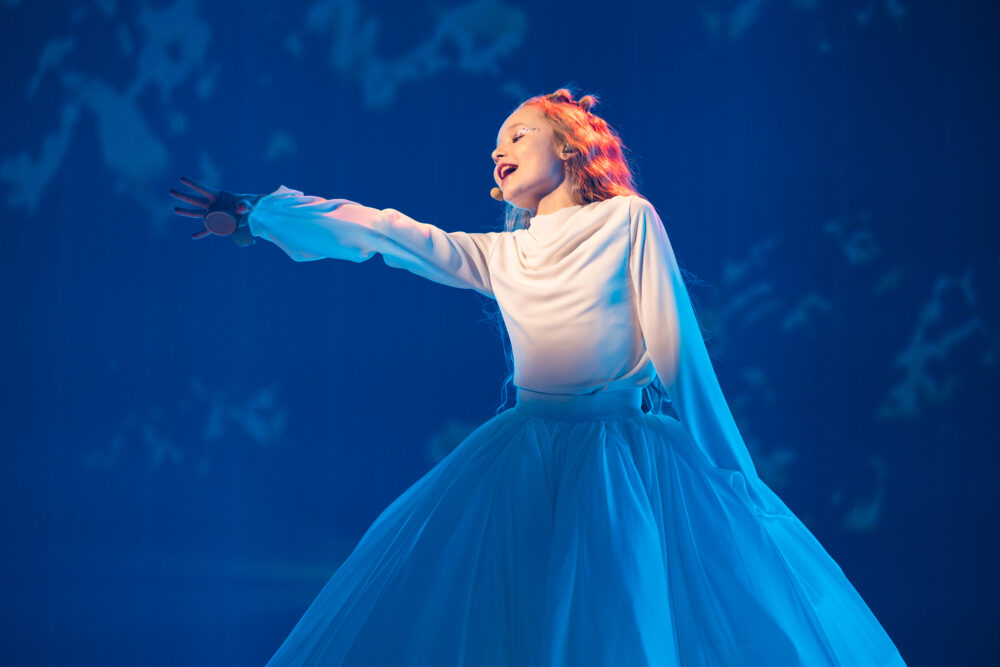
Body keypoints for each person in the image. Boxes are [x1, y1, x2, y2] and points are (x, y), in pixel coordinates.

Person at [171, 88, 906, 666]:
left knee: (615, 614)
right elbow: (387, 232)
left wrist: (734, 474)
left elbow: (679, 351)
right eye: (496, 145)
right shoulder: (502, 254)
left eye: (519, 134)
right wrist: (259, 214)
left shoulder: (627, 220)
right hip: (524, 457)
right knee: (519, 618)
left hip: (618, 457)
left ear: (572, 146)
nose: (500, 150)